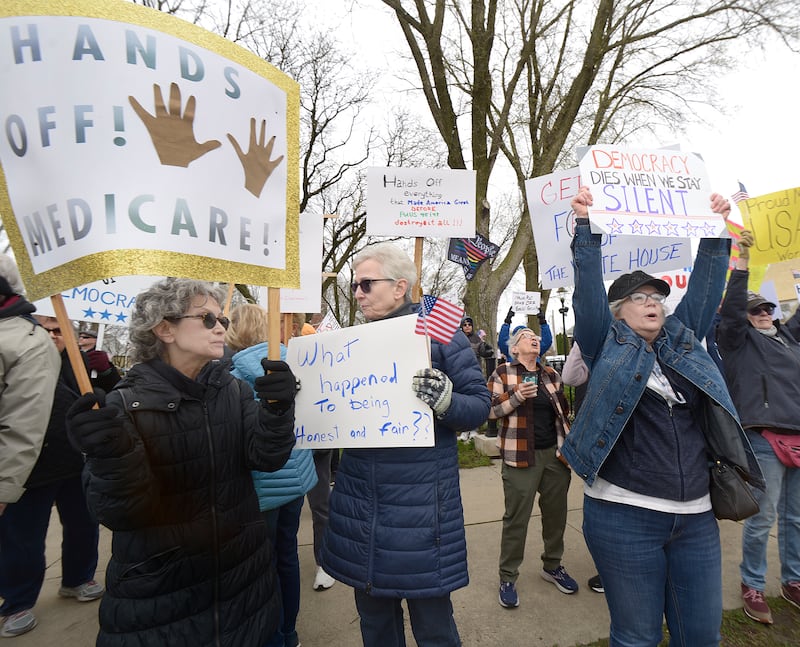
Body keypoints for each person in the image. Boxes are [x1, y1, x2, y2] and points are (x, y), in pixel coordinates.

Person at [562, 186, 764, 646]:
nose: (652, 301)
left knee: (701, 636)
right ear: (618, 313)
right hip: (624, 515)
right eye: (638, 298)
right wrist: (586, 228)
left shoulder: (683, 342)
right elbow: (586, 293)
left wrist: (715, 230)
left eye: (657, 295)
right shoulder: (602, 342)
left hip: (696, 518)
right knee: (637, 638)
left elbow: (707, 288)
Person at [65, 278, 297, 646]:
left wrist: (278, 410)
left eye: (223, 319)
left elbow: (267, 458)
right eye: (207, 319)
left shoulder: (232, 390)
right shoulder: (123, 406)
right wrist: (109, 455)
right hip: (165, 603)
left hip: (245, 588)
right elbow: (121, 514)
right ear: (164, 329)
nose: (221, 326)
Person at [320, 242, 491, 647]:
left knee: (433, 628)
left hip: (421, 511)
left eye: (366, 284)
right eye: (355, 285)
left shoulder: (441, 334)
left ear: (400, 288)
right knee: (375, 626)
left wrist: (446, 401)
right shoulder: (349, 345)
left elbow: (479, 405)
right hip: (361, 504)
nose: (358, 293)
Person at [716, 229, 800, 623]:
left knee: (796, 516)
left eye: (767, 309)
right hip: (764, 438)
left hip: (798, 436)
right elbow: (732, 309)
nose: (764, 313)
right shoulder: (737, 340)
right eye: (756, 310)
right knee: (763, 516)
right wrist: (743, 260)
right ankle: (752, 582)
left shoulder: (788, 339)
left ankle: (793, 579)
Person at [226, 305, 318, 647]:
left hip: (261, 487)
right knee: (287, 556)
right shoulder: (293, 365)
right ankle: (288, 632)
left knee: (261, 569)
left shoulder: (233, 376)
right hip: (295, 481)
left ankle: (272, 638)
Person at [487, 327, 575, 608]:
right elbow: (488, 410)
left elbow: (563, 413)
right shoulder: (502, 373)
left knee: (556, 514)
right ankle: (508, 576)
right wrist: (516, 396)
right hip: (519, 456)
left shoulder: (551, 374)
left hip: (554, 456)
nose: (533, 338)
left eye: (535, 336)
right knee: (516, 518)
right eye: (525, 336)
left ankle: (552, 565)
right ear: (514, 349)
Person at [0, 260, 62, 638]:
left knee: (22, 536)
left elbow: (24, 420)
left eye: (60, 328)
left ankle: (19, 601)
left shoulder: (26, 342)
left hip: (41, 462)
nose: (53, 332)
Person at [559, 341, 602, 594]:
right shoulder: (592, 345)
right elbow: (571, 376)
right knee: (594, 517)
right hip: (593, 439)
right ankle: (610, 569)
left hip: (625, 441)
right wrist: (583, 339)